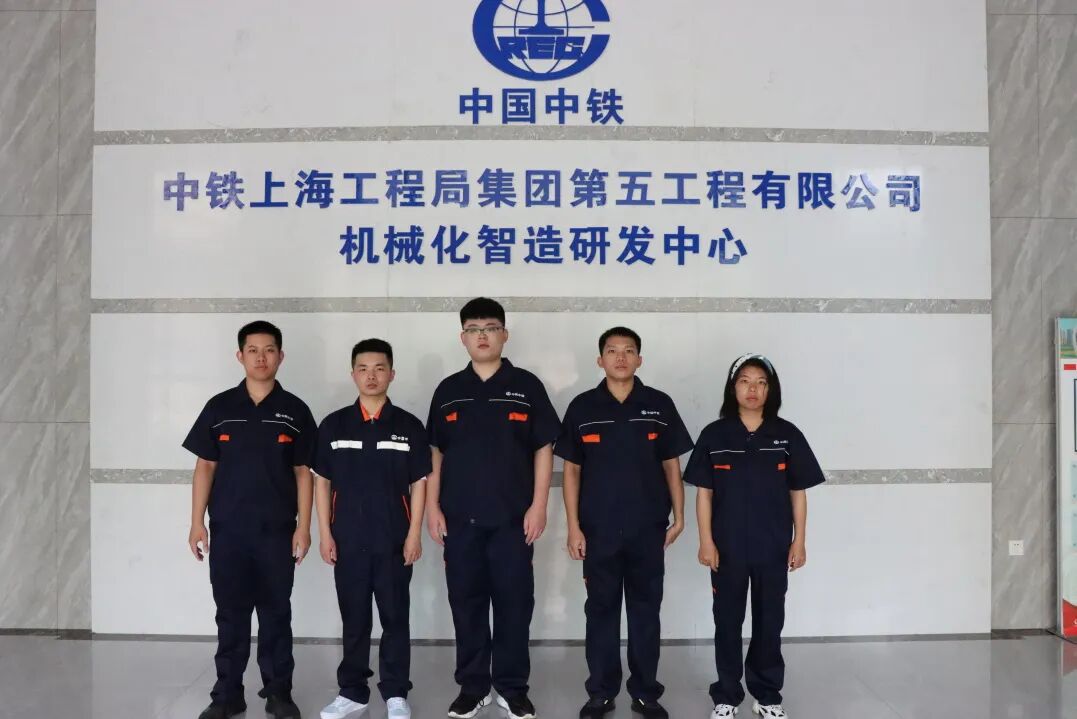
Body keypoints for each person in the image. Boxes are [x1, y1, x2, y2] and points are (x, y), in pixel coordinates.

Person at [425, 297, 560, 719]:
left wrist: (539, 505)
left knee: (514, 605)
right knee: (465, 604)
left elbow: (543, 448)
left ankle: (512, 687)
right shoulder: (449, 390)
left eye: (490, 328)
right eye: (473, 329)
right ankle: (473, 687)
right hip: (459, 519)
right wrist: (432, 507)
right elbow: (436, 453)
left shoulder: (527, 386)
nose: (482, 335)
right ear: (462, 338)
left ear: (504, 334)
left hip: (513, 520)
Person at [555, 327, 693, 719]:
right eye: (612, 351)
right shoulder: (583, 407)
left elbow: (671, 465)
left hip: (647, 529)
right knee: (601, 612)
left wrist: (680, 516)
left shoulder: (658, 405)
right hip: (598, 531)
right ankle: (600, 692)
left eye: (628, 350)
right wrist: (574, 527)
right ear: (599, 360)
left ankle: (646, 692)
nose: (620, 357)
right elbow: (571, 472)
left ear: (639, 359)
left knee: (645, 612)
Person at [183, 320, 317, 719]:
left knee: (276, 614)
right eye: (253, 350)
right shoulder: (220, 407)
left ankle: (279, 693)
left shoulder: (295, 410)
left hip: (277, 532)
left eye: (269, 350)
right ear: (240, 356)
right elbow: (205, 466)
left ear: (281, 356)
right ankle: (227, 694)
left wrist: (304, 527)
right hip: (229, 532)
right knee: (231, 615)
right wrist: (196, 522)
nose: (261, 358)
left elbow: (303, 473)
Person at [682, 354, 825, 719]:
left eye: (761, 382)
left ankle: (767, 695)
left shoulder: (787, 435)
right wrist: (706, 541)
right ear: (733, 388)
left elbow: (797, 492)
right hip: (726, 547)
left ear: (770, 390)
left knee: (769, 621)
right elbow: (704, 494)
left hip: (772, 546)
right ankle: (727, 696)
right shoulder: (714, 435)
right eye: (745, 381)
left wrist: (799, 540)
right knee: (727, 621)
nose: (753, 389)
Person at [314, 339, 431, 719]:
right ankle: (352, 691)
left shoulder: (409, 427)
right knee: (355, 619)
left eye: (379, 368)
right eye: (363, 369)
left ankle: (396, 692)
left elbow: (420, 483)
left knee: (395, 618)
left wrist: (414, 534)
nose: (371, 376)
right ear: (353, 374)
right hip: (347, 539)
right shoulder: (334, 425)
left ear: (391, 374)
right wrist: (325, 533)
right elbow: (321, 483)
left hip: (393, 540)